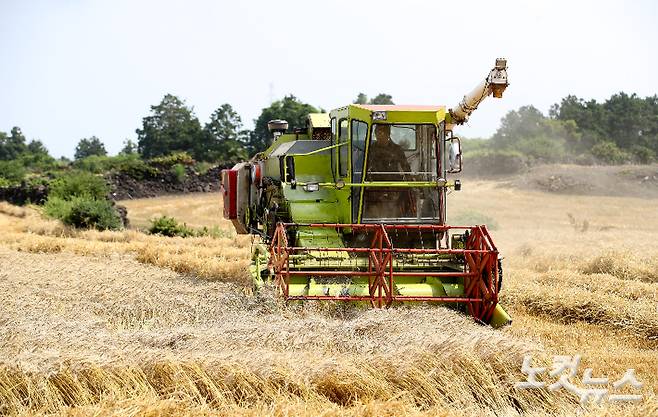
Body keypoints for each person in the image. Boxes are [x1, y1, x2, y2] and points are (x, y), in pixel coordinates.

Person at [364, 124, 415, 218]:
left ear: (388, 134)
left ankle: (403, 217)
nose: (380, 135)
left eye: (383, 132)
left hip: (394, 183)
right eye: (378, 132)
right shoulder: (370, 149)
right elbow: (362, 166)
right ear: (375, 134)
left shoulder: (397, 149)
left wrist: (410, 181)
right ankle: (371, 220)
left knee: (408, 194)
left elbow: (405, 167)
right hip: (375, 183)